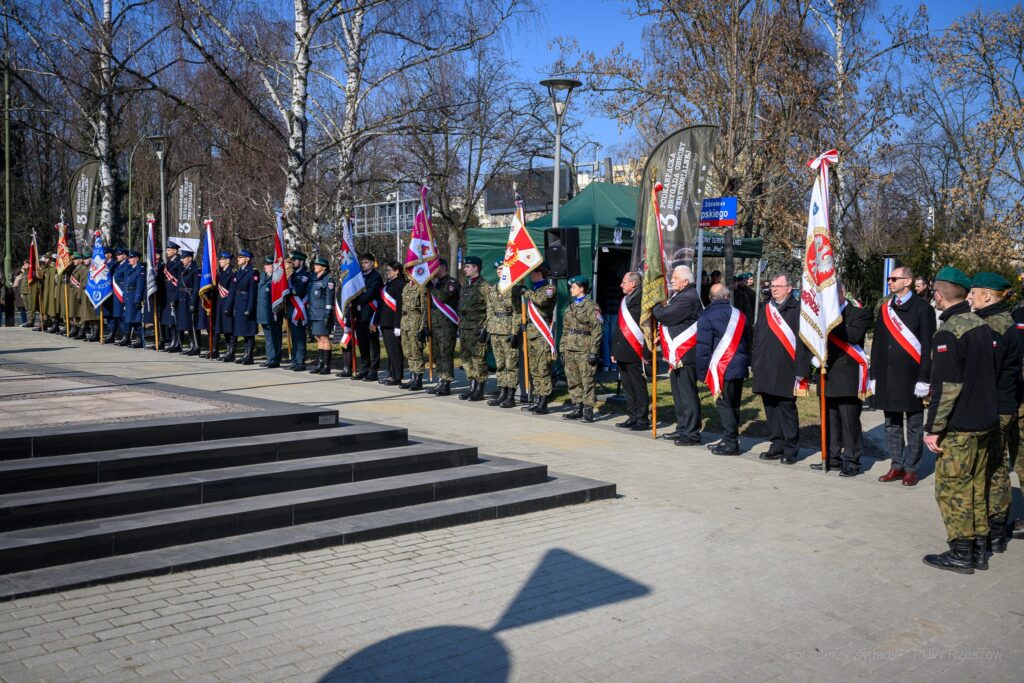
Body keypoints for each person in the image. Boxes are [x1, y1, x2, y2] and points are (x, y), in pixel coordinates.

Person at [922, 267, 997, 574]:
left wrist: (933, 428)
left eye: (934, 295)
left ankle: (960, 551)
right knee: (978, 486)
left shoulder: (948, 332)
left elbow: (947, 387)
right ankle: (979, 549)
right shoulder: (981, 325)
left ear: (939, 296)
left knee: (951, 489)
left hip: (961, 426)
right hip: (984, 421)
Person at [968, 272, 1020, 556]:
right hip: (1002, 405)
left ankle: (993, 529)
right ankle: (997, 533)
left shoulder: (995, 326)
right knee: (997, 467)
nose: (970, 297)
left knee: (992, 469)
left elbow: (988, 373)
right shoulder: (1001, 322)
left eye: (974, 292)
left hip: (995, 408)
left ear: (987, 296)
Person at [871, 266, 935, 487]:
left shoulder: (922, 308)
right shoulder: (885, 308)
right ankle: (897, 465)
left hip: (912, 377)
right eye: (890, 278)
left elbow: (928, 346)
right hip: (888, 376)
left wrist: (924, 378)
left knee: (915, 424)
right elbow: (878, 343)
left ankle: (911, 469)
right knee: (891, 423)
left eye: (894, 278)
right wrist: (874, 374)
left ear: (907, 282)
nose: (890, 281)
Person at [812, 282, 872, 476]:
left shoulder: (858, 313)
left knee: (849, 422)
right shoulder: (820, 317)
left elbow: (853, 336)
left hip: (847, 376)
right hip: (827, 374)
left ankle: (852, 461)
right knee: (830, 421)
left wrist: (830, 320)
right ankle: (832, 457)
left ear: (842, 293)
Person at [751, 273, 810, 464]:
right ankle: (776, 445)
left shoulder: (798, 310)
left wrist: (801, 371)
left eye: (778, 286)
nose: (774, 289)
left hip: (787, 369)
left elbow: (803, 344)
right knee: (770, 408)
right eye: (772, 286)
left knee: (786, 409)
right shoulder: (765, 308)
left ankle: (791, 449)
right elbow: (758, 337)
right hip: (766, 367)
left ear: (789, 288)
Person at [652, 265, 703, 445]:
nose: (671, 281)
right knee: (679, 394)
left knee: (687, 395)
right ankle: (682, 428)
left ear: (685, 281)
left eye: (674, 278)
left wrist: (655, 307)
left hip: (686, 354)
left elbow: (666, 316)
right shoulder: (681, 295)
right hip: (677, 355)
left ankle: (692, 434)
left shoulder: (688, 298)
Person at [696, 284, 749, 455]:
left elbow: (703, 348)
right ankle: (728, 439)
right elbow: (748, 341)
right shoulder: (740, 315)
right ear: (727, 297)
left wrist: (703, 373)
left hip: (721, 369)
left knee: (724, 406)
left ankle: (731, 444)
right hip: (739, 367)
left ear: (710, 298)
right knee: (734, 405)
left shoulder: (706, 316)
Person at [559, 275, 602, 423]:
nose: (571, 289)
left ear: (582, 288)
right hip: (570, 348)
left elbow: (597, 330)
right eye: (571, 287)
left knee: (587, 380)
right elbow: (565, 330)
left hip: (585, 349)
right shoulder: (570, 307)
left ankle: (588, 409)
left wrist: (594, 351)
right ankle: (577, 407)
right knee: (573, 380)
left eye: (573, 287)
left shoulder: (591, 306)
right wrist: (562, 349)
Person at [611, 271, 650, 431]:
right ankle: (632, 416)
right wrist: (614, 350)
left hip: (636, 351)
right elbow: (618, 328)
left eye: (624, 282)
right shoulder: (625, 300)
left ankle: (642, 419)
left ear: (633, 284)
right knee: (627, 386)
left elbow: (648, 330)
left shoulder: (643, 302)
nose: (621, 285)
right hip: (622, 350)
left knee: (638, 386)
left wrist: (647, 353)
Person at [521, 265, 557, 414]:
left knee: (542, 369)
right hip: (531, 333)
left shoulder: (549, 289)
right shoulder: (534, 289)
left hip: (542, 335)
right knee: (534, 369)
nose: (530, 275)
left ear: (539, 273)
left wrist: (527, 292)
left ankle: (544, 401)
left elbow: (541, 301)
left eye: (533, 273)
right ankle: (537, 398)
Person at [485, 260, 520, 408]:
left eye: (502, 268)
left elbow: (517, 313)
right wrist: (487, 328)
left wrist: (515, 332)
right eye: (497, 269)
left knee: (510, 364)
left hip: (508, 331)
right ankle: (502, 393)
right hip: (495, 331)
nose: (499, 271)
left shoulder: (514, 289)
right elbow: (490, 310)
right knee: (500, 364)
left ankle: (511, 395)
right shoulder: (492, 289)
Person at [426, 259, 459, 396]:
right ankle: (441, 379)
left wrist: (431, 287)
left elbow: (443, 297)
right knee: (436, 354)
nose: (432, 271)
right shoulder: (435, 283)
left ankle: (446, 383)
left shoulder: (451, 283)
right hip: (434, 325)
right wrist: (426, 325)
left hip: (446, 325)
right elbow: (427, 306)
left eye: (435, 268)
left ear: (443, 268)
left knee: (445, 354)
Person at [457, 256, 489, 401]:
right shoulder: (465, 285)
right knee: (465, 358)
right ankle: (472, 386)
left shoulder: (484, 286)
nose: (464, 269)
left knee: (478, 359)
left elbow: (490, 308)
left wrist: (485, 328)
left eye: (467, 266)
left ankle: (479, 389)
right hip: (464, 328)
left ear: (475, 268)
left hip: (477, 328)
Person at [225, 249, 259, 366]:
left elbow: (253, 292)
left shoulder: (252, 272)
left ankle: (249, 356)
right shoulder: (238, 272)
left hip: (246, 304)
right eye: (238, 257)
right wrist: (229, 306)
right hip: (238, 304)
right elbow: (232, 291)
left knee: (248, 331)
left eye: (241, 257)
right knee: (241, 330)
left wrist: (249, 308)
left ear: (247, 259)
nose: (238, 259)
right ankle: (245, 355)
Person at [353, 253, 383, 381]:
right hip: (359, 315)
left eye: (366, 262)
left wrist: (355, 297)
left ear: (372, 263)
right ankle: (364, 369)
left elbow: (367, 296)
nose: (363, 265)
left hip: (371, 314)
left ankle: (373, 371)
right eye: (362, 262)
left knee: (373, 344)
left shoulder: (375, 277)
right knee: (363, 344)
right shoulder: (359, 276)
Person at [377, 261, 406, 385]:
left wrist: (397, 325)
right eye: (386, 270)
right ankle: (391, 374)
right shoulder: (388, 284)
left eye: (389, 270)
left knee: (395, 351)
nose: (387, 272)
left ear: (397, 271)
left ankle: (397, 376)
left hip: (393, 323)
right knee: (389, 351)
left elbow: (399, 307)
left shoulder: (400, 284)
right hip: (385, 322)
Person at [307, 256, 336, 374]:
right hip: (314, 313)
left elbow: (329, 299)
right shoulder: (315, 279)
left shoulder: (328, 280)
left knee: (324, 338)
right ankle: (320, 364)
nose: (315, 266)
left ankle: (326, 366)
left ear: (323, 267)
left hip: (323, 313)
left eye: (317, 265)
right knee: (318, 338)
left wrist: (328, 315)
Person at [203, 251, 234, 360]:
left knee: (228, 329)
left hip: (226, 304)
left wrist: (229, 306)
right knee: (219, 328)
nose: (219, 261)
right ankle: (215, 350)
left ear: (227, 261)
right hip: (219, 304)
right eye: (219, 259)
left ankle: (230, 353)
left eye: (222, 259)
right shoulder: (220, 273)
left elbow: (231, 292)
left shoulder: (232, 272)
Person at [400, 276, 426, 391]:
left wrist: (423, 326)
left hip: (416, 322)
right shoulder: (406, 287)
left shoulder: (421, 287)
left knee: (416, 351)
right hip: (405, 322)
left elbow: (424, 309)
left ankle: (418, 380)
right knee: (408, 351)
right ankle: (412, 377)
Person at [256, 256, 283, 368]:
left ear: (273, 266)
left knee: (274, 337)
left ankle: (274, 359)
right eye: (265, 265)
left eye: (268, 265)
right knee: (268, 338)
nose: (265, 266)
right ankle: (270, 358)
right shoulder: (263, 276)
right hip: (263, 312)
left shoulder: (277, 279)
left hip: (272, 313)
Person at [287, 251, 311, 371]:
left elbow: (299, 290)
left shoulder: (305, 275)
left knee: (300, 336)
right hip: (291, 309)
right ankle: (295, 360)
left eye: (294, 260)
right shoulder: (291, 275)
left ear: (301, 262)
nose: (292, 262)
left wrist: (287, 291)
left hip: (300, 309)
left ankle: (300, 361)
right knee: (294, 336)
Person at [159, 241, 183, 352]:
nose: (167, 252)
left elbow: (179, 282)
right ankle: (173, 341)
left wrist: (177, 296)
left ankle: (178, 342)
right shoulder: (169, 263)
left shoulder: (179, 262)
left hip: (174, 294)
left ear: (175, 251)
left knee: (176, 320)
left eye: (169, 250)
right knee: (171, 320)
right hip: (167, 294)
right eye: (167, 250)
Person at [176, 248, 200, 355]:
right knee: (186, 324)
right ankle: (191, 345)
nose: (182, 260)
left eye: (184, 258)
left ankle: (196, 346)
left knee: (192, 324)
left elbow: (196, 288)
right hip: (182, 299)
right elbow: (179, 286)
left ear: (190, 258)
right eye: (181, 258)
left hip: (190, 299)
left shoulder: (195, 270)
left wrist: (193, 303)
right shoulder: (183, 269)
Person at [122, 251, 146, 348]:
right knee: (130, 318)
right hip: (128, 296)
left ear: (137, 258)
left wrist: (137, 299)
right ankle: (133, 338)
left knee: (136, 319)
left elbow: (140, 285)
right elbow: (126, 284)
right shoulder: (129, 268)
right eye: (129, 258)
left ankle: (140, 339)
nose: (129, 259)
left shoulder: (140, 269)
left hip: (134, 296)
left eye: (132, 258)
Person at [109, 247, 128, 343]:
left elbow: (126, 281)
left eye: (119, 254)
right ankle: (119, 335)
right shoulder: (117, 265)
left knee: (123, 316)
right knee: (118, 315)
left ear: (125, 256)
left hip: (121, 293)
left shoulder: (127, 265)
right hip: (116, 294)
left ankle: (125, 336)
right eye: (117, 254)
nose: (117, 256)